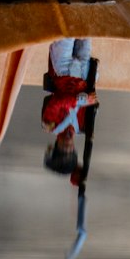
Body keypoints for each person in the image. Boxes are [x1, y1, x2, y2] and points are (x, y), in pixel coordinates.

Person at [42, 37, 98, 180]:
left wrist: (79, 100)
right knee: (86, 32)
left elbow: (57, 101)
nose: (68, 147)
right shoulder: (82, 127)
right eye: (70, 151)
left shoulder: (50, 124)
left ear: (56, 147)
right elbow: (91, 102)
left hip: (63, 72)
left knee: (68, 33)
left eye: (62, 150)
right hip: (83, 75)